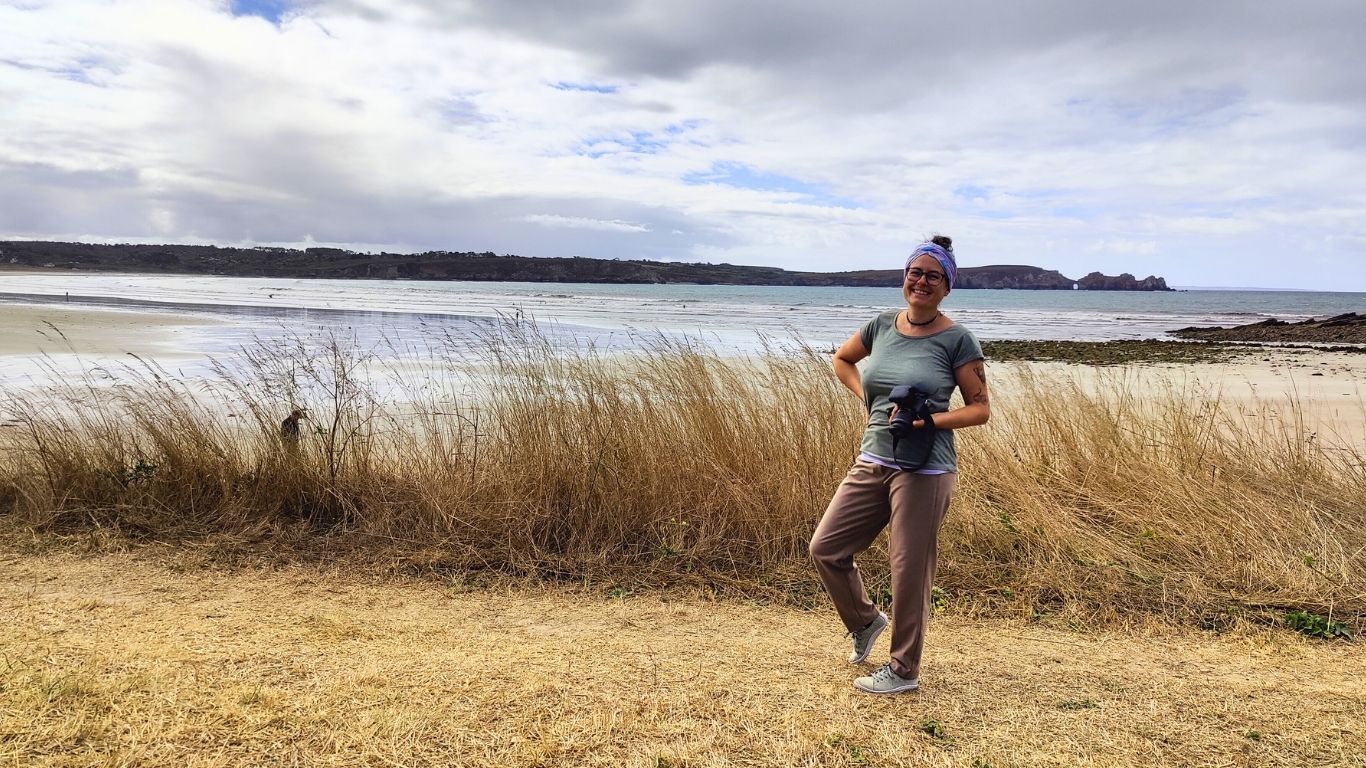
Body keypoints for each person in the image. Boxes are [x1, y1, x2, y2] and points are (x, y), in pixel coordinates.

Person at [809, 235, 991, 695]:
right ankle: (866, 622)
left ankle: (904, 669)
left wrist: (928, 419)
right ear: (904, 278)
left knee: (908, 570)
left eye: (933, 275)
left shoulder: (957, 339)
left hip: (925, 469)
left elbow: (979, 408)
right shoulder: (880, 326)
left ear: (947, 285)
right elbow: (842, 360)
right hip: (873, 457)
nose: (922, 281)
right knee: (826, 548)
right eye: (916, 272)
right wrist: (868, 401)